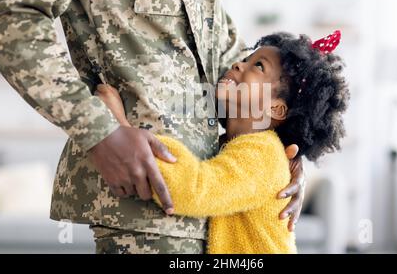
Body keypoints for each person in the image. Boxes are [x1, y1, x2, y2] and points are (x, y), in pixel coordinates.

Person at [0, 0, 304, 253]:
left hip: (209, 220)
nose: (243, 65)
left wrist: (281, 154)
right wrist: (101, 130)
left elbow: (228, 66)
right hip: (143, 204)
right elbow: (10, 10)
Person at [96, 31, 350, 253]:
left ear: (277, 108)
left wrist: (118, 126)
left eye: (258, 66)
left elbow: (192, 190)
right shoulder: (237, 146)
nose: (238, 64)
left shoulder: (263, 155)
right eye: (245, 59)